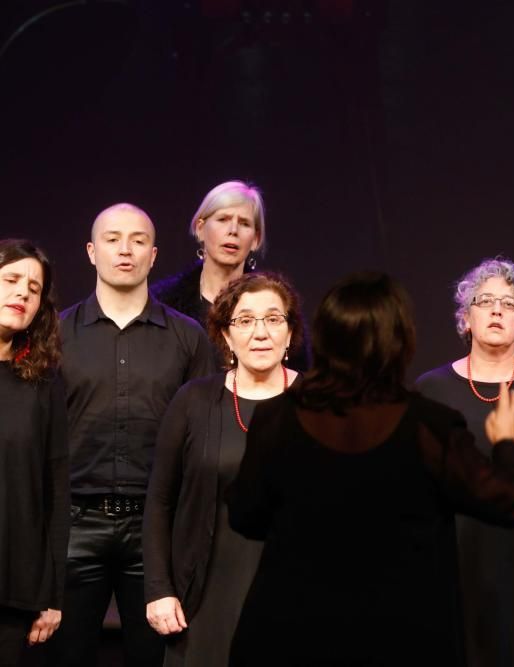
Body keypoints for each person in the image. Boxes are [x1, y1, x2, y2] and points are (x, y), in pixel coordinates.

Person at [226, 271, 514, 666]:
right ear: (399, 342)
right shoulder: (428, 426)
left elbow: (246, 515)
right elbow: (508, 501)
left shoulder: (277, 419)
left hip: (293, 632)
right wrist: (506, 441)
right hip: (399, 637)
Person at [47, 204, 215, 667]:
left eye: (138, 240)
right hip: (75, 525)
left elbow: (203, 439)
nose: (125, 249)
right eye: (113, 238)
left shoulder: (188, 338)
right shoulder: (55, 335)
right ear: (91, 251)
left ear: (154, 254)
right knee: (66, 656)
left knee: (158, 658)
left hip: (156, 528)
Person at [416, 257, 514, 667]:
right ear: (466, 318)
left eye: (510, 303)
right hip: (447, 567)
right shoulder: (430, 391)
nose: (497, 310)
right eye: (484, 301)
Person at [143, 273, 303, 666]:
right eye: (245, 320)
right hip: (204, 595)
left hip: (294, 594)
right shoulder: (194, 400)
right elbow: (160, 500)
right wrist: (159, 589)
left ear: (289, 333)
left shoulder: (322, 404)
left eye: (273, 319)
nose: (260, 332)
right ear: (226, 336)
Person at [150, 181, 309, 370]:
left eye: (244, 223)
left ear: (256, 240)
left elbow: (298, 377)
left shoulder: (277, 306)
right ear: (200, 228)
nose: (233, 231)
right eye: (223, 219)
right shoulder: (162, 304)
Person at [0, 240, 68, 665]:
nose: (23, 292)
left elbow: (55, 490)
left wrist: (53, 594)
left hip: (15, 591)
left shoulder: (42, 382)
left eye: (34, 287)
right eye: (11, 280)